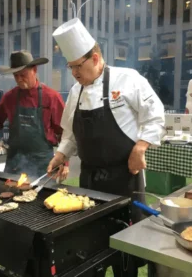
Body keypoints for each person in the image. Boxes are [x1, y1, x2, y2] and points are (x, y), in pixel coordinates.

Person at [47, 18, 166, 276]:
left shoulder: (128, 80)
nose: (75, 73)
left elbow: (155, 115)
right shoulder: (75, 92)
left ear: (96, 58)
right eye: (71, 67)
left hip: (125, 181)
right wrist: (60, 154)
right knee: (90, 252)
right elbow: (70, 133)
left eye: (78, 66)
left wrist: (140, 146)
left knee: (126, 255)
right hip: (89, 184)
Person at [0, 50, 68, 179]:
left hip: (43, 164)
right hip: (15, 163)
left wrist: (65, 162)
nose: (19, 79)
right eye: (16, 75)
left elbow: (64, 132)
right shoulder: (10, 97)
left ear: (34, 70)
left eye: (23, 74)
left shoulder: (51, 97)